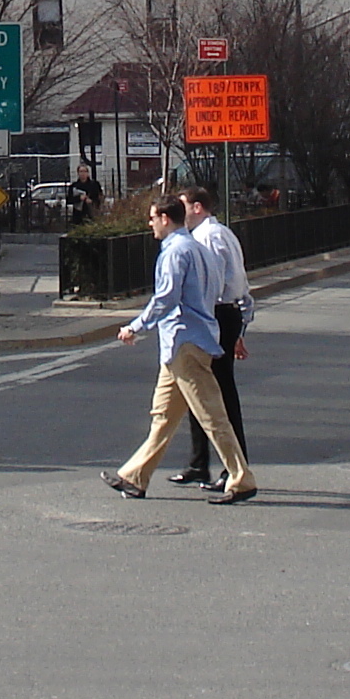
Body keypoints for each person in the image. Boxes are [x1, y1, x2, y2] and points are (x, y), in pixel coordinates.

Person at [102, 196, 254, 505]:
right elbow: (214, 292)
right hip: (184, 344)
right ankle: (135, 477)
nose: (150, 223)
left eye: (152, 217)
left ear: (165, 219)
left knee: (212, 416)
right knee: (163, 417)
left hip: (185, 342)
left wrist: (136, 326)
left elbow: (166, 297)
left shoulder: (175, 251)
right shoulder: (200, 249)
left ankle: (241, 479)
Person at [169, 186, 255, 490]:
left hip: (216, 314)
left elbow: (219, 282)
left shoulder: (210, 237)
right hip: (220, 315)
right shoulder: (218, 234)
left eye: (183, 206)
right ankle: (198, 463)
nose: (179, 213)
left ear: (197, 207)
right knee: (198, 390)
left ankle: (234, 466)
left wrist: (229, 329)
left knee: (219, 394)